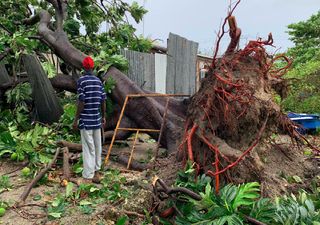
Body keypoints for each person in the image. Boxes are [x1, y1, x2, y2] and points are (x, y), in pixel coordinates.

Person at [73, 56, 106, 184]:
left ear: (83, 67)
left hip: (86, 120)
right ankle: (97, 172)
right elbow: (103, 100)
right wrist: (103, 116)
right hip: (97, 119)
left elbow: (81, 101)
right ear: (93, 67)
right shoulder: (98, 81)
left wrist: (76, 119)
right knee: (97, 146)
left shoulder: (81, 81)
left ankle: (88, 176)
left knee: (88, 147)